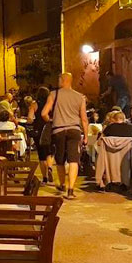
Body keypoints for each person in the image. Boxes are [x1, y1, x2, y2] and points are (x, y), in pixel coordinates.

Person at [42, 72, 88, 200]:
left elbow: (44, 113)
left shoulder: (53, 94)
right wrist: (86, 136)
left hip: (59, 130)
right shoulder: (80, 97)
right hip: (74, 130)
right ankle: (70, 189)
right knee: (74, 160)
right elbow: (84, 119)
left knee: (60, 159)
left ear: (62, 80)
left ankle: (62, 184)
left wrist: (51, 120)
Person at [28, 86, 53, 185]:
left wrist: (30, 120)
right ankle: (50, 167)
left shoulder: (34, 104)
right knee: (49, 152)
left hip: (38, 130)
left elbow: (30, 118)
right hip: (49, 129)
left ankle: (45, 178)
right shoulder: (50, 104)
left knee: (41, 155)